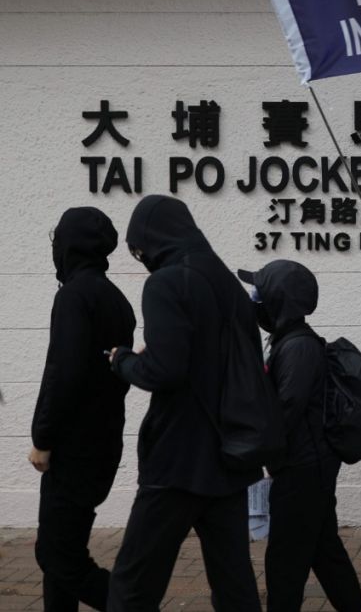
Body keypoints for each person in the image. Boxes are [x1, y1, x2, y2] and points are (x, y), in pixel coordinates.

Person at [106, 195, 262, 612]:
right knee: (234, 585)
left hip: (177, 459)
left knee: (133, 585)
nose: (139, 257)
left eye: (137, 248)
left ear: (150, 240)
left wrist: (124, 360)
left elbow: (164, 371)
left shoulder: (166, 282)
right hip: (230, 454)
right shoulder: (229, 284)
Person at [237, 260, 361, 612]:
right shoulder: (286, 341)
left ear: (279, 299)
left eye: (259, 293)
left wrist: (247, 449)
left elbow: (284, 412)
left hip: (303, 470)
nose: (254, 299)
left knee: (284, 564)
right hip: (308, 468)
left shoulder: (298, 347)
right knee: (326, 554)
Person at [30, 207, 135, 612]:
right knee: (61, 548)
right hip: (103, 443)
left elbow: (63, 372)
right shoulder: (116, 300)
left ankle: (133, 605)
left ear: (70, 246)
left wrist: (43, 438)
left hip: (73, 450)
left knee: (57, 556)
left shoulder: (73, 296)